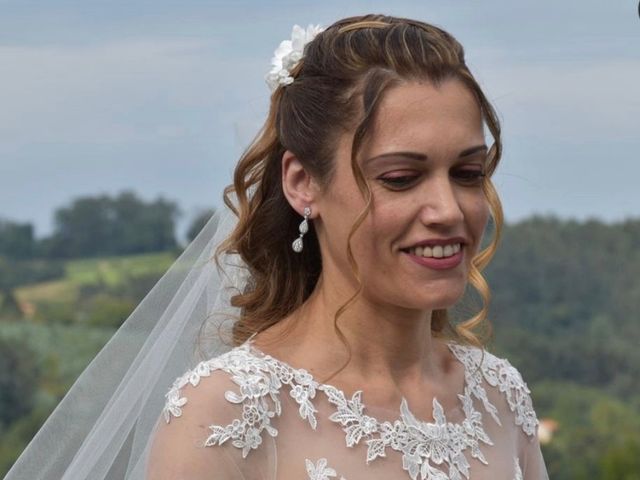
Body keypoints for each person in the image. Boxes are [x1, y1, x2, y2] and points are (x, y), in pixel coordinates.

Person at [4, 13, 549, 480]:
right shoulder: (224, 415)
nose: (449, 211)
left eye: (468, 172)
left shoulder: (498, 394)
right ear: (303, 183)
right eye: (401, 178)